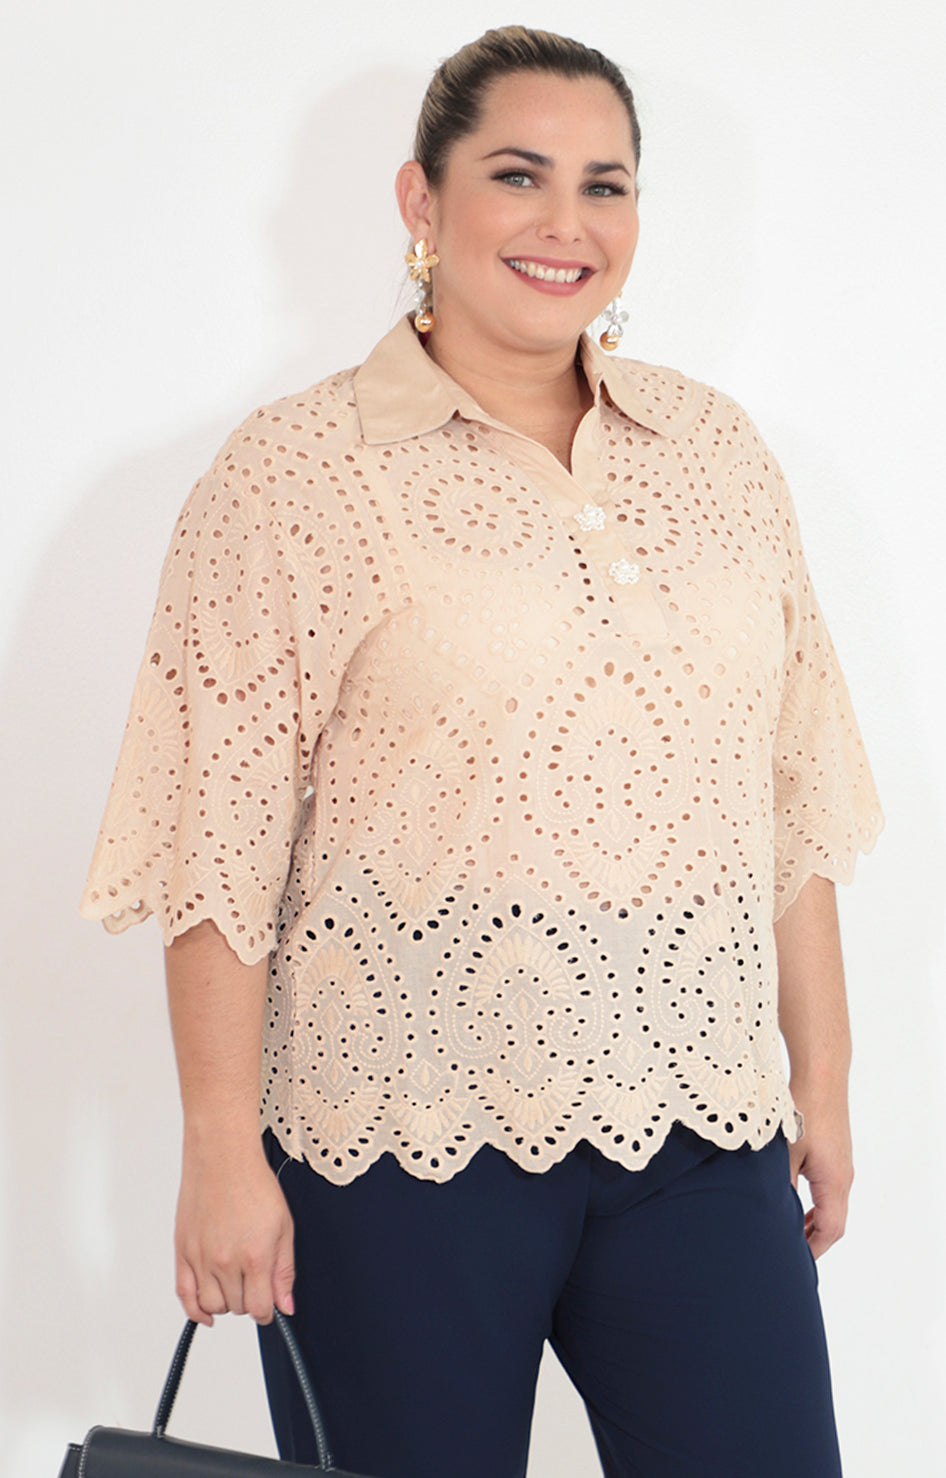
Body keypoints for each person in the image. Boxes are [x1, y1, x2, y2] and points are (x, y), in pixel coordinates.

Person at [81, 25, 882, 1478]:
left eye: (604, 185)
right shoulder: (293, 472)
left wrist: (817, 1078)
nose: (565, 222)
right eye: (518, 176)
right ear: (421, 199)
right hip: (395, 1140)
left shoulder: (716, 453)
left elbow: (791, 789)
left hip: (698, 1132)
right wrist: (218, 1147)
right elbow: (216, 842)